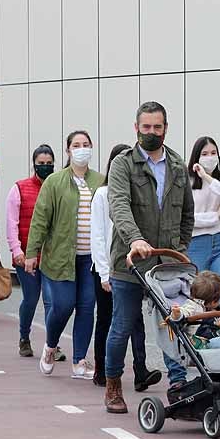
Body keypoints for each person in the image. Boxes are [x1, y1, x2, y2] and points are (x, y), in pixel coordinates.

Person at [104, 101, 194, 414]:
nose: (152, 133)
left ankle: (179, 381)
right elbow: (119, 206)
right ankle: (113, 384)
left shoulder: (178, 165)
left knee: (172, 322)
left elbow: (187, 211)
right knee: (123, 325)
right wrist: (136, 239)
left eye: (157, 127)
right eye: (146, 128)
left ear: (166, 128)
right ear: (136, 128)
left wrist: (181, 245)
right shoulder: (123, 164)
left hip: (166, 261)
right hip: (130, 260)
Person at [24, 131, 101, 380]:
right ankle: (50, 345)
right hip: (60, 257)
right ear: (68, 151)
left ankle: (79, 360)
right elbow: (40, 220)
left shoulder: (100, 181)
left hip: (91, 259)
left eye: (86, 145)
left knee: (87, 307)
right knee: (63, 305)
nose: (81, 149)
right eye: (76, 145)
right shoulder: (55, 182)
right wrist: (31, 252)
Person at [90, 144, 160, 391]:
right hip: (110, 267)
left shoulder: (136, 194)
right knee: (109, 321)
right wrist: (103, 272)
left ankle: (140, 370)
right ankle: (103, 369)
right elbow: (98, 235)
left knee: (134, 321)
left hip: (133, 266)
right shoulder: (102, 194)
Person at [6, 144, 55, 357]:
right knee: (31, 298)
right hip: (27, 255)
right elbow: (11, 223)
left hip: (53, 256)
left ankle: (52, 343)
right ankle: (24, 337)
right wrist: (17, 251)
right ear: (34, 164)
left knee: (53, 301)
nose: (45, 167)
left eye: (49, 164)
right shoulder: (19, 188)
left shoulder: (58, 186)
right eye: (41, 164)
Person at [186, 137, 220, 309]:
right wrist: (214, 217)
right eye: (205, 153)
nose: (210, 157)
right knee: (196, 295)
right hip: (196, 243)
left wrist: (206, 176)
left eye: (213, 153)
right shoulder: (187, 182)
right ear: (196, 157)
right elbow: (188, 219)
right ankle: (197, 334)